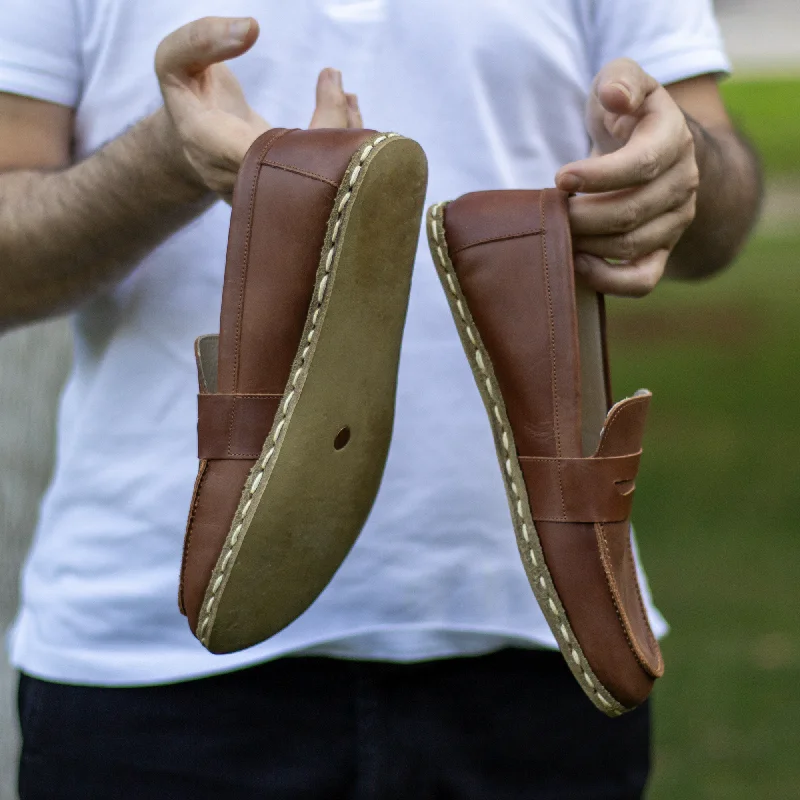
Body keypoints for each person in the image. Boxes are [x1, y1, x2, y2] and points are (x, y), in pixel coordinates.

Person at [0, 2, 760, 798]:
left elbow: (722, 194)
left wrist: (681, 166)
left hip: (545, 644)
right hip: (151, 667)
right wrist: (164, 159)